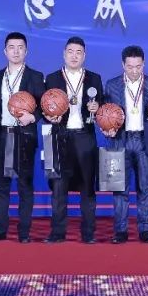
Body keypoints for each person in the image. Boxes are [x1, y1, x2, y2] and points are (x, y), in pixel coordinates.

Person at [0, 32, 46, 243]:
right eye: (11, 47)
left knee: (25, 186)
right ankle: (0, 230)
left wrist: (33, 117)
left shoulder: (35, 76)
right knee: (1, 186)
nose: (16, 51)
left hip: (23, 136)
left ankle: (24, 233)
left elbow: (45, 106)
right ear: (5, 51)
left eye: (20, 47)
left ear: (26, 51)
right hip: (2, 135)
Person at [101, 45, 148, 244]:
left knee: (145, 187)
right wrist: (106, 128)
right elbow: (104, 112)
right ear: (123, 65)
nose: (134, 71)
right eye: (130, 67)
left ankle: (145, 230)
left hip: (144, 140)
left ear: (143, 64)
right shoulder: (112, 85)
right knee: (120, 188)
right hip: (120, 139)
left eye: (138, 66)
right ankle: (120, 231)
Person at [42, 36, 103, 244]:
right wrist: (49, 117)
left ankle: (89, 233)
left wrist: (97, 107)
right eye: (70, 51)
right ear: (64, 54)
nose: (74, 56)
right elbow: (45, 108)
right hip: (59, 137)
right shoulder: (52, 78)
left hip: (85, 136)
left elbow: (102, 108)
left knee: (88, 187)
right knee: (58, 188)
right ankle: (57, 233)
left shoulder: (94, 78)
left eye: (78, 52)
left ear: (84, 55)